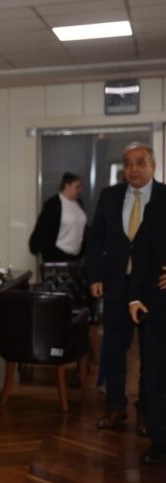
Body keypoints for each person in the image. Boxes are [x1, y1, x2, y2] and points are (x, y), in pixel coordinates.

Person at [88, 142, 166, 435]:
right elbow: (96, 238)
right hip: (117, 284)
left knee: (152, 354)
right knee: (114, 348)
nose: (133, 169)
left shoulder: (164, 196)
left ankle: (146, 410)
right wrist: (95, 275)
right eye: (128, 163)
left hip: (153, 288)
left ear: (153, 166)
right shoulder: (109, 196)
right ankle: (115, 407)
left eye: (140, 162)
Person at [129, 185, 166, 463]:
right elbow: (140, 256)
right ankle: (159, 440)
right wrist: (134, 298)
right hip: (157, 307)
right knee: (155, 375)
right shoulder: (156, 207)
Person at [29, 172, 87, 262]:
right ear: (67, 186)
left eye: (80, 187)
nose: (80, 190)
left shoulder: (79, 203)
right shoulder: (53, 204)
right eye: (77, 187)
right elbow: (44, 229)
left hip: (76, 258)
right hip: (58, 256)